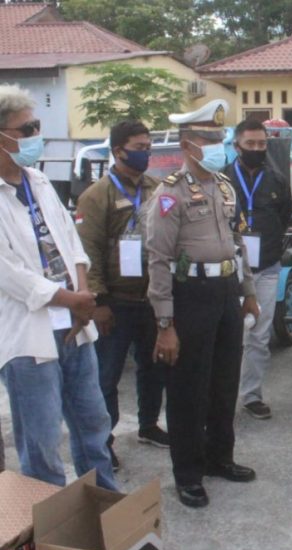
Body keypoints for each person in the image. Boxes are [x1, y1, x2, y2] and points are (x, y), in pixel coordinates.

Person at [0, 84, 116, 490]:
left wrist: (81, 299)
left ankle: (104, 505)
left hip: (73, 321)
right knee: (42, 440)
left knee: (92, 421)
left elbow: (71, 245)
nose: (36, 135)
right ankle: (51, 531)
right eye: (26, 128)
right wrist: (71, 299)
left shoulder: (39, 181)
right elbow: (10, 273)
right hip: (29, 335)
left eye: (36, 126)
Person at [144, 99, 260, 508]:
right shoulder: (169, 194)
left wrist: (248, 293)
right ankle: (188, 473)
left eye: (219, 138)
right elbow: (157, 260)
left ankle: (219, 457)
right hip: (189, 296)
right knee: (188, 389)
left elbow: (238, 244)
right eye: (207, 138)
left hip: (226, 291)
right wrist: (165, 323)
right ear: (186, 143)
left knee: (224, 382)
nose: (216, 145)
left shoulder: (224, 187)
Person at [76, 120, 168, 472]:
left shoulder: (155, 187)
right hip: (115, 301)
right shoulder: (96, 195)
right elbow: (88, 252)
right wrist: (97, 303)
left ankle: (148, 425)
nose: (146, 152)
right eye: (140, 146)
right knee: (106, 377)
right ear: (118, 151)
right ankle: (104, 441)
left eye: (148, 146)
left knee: (153, 367)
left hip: (150, 298)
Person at [225, 119, 292, 420]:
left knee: (259, 335)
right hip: (230, 268)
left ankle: (252, 395)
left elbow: (284, 215)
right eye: (250, 144)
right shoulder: (222, 179)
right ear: (236, 146)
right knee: (230, 335)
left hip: (266, 266)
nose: (256, 149)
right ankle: (223, 395)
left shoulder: (277, 179)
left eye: (261, 144)